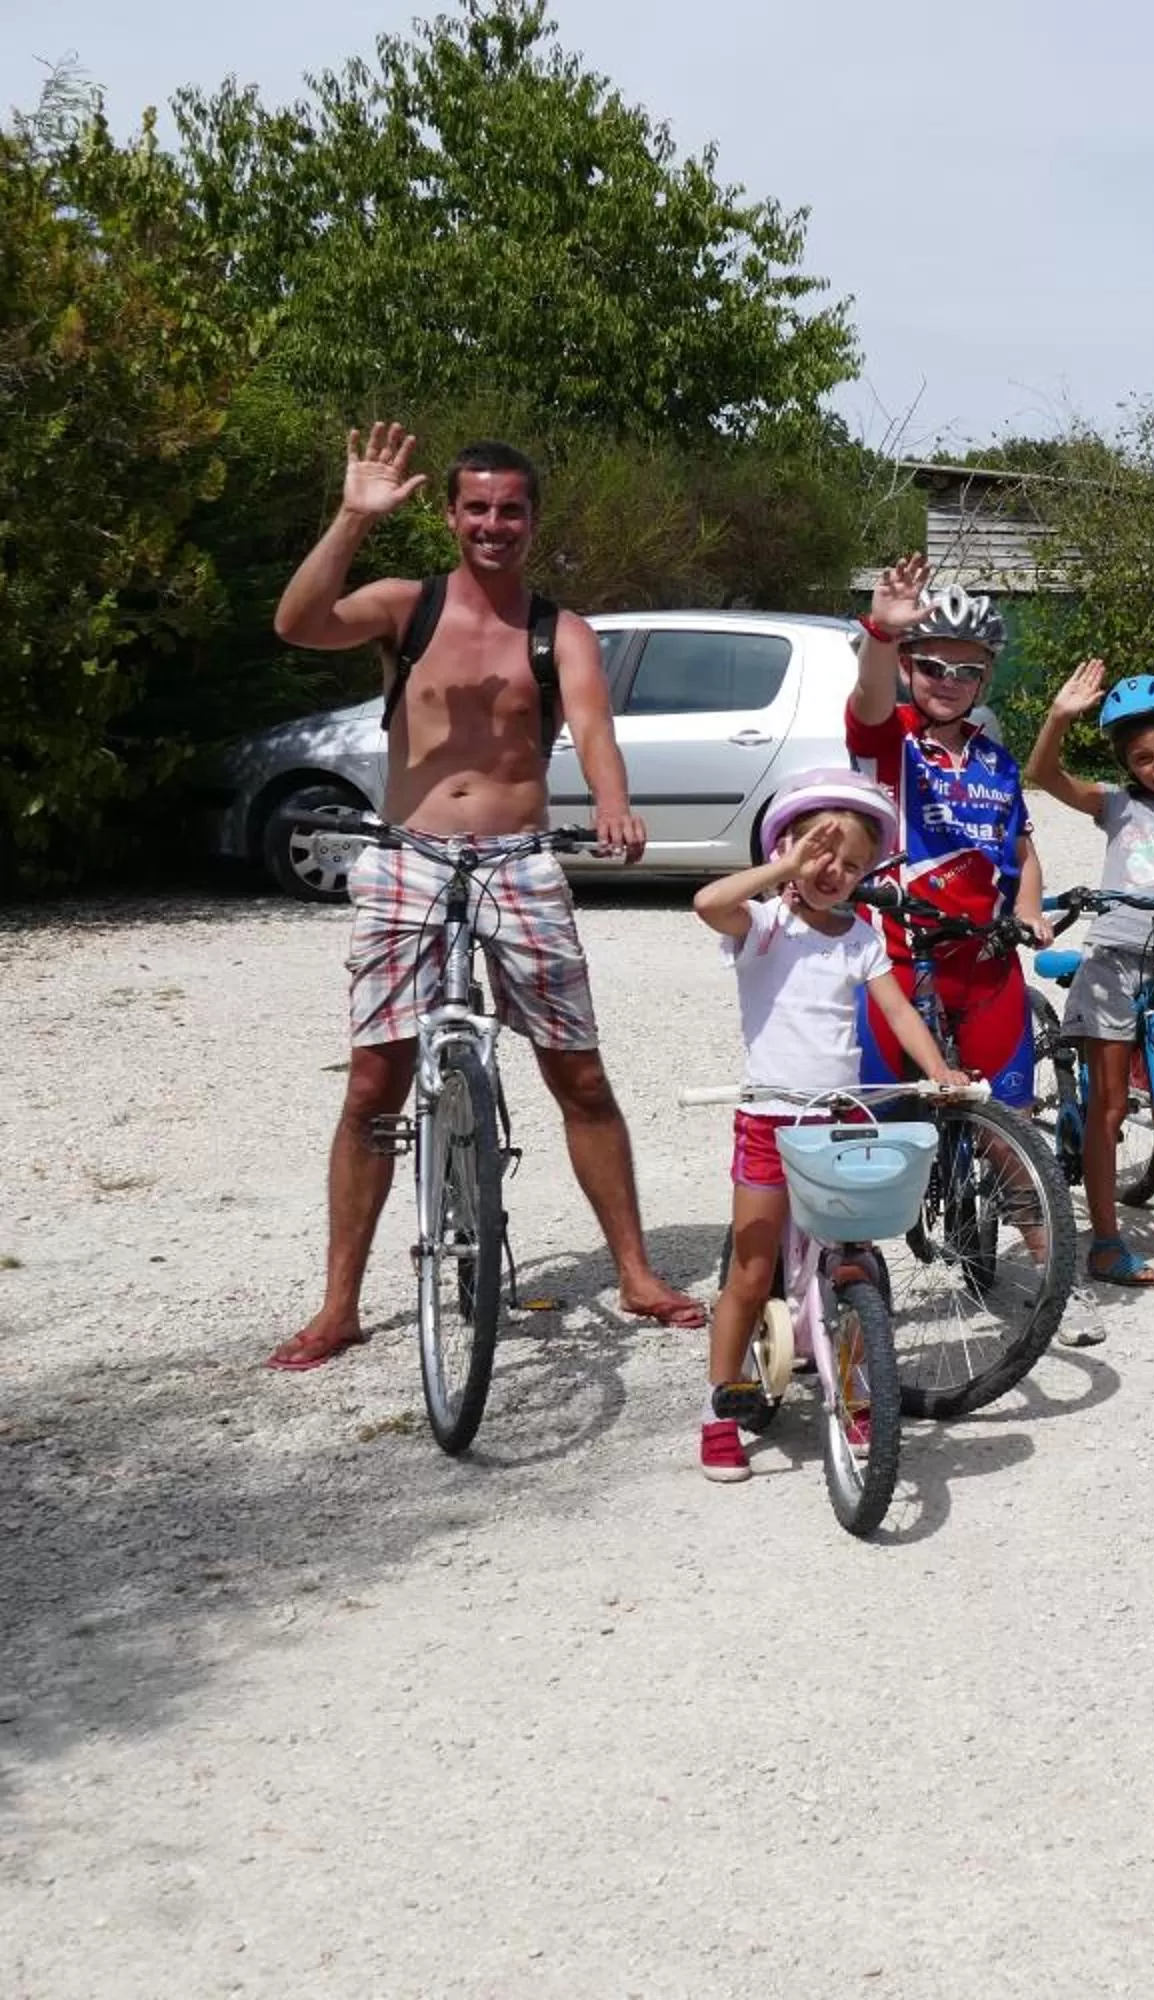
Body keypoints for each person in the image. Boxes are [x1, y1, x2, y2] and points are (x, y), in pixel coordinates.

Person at [264, 422, 700, 1371]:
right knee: (375, 1082)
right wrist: (350, 517)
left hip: (518, 859)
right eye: (477, 508)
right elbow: (296, 623)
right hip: (408, 857)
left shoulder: (559, 631)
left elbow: (592, 729)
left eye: (510, 509)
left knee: (577, 1074)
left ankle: (636, 1271)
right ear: (452, 516)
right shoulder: (403, 607)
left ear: (532, 521)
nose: (493, 524)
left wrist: (616, 807)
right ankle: (339, 1304)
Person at [691, 771, 958, 1482]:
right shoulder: (767, 926)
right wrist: (783, 868)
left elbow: (898, 1012)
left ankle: (854, 1382)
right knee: (751, 1273)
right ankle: (720, 1410)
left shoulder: (860, 937)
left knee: (855, 1260)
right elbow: (707, 902)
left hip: (838, 1123)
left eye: (852, 864)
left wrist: (939, 1070)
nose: (834, 873)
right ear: (788, 851)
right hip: (769, 1119)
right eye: (819, 855)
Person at [1026, 660, 1154, 1292]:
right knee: (1111, 1105)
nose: (1152, 766)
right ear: (1125, 763)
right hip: (1115, 963)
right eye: (1140, 758)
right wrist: (1060, 718)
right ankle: (1106, 1240)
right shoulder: (1114, 806)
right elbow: (1042, 776)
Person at [845, 554, 1053, 1106]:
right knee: (883, 1128)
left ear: (984, 680)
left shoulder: (996, 760)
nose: (950, 682)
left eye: (967, 672)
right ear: (908, 668)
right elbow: (868, 701)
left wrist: (1027, 911)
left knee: (1013, 1129)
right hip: (896, 955)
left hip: (984, 957)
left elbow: (1023, 852)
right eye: (934, 667)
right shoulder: (892, 738)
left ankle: (1015, 1195)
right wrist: (882, 633)